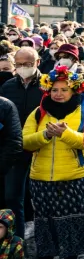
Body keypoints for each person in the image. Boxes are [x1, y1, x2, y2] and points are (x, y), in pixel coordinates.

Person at [22, 67, 84, 259]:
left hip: (73, 176)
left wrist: (65, 134)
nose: (58, 94)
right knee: (44, 223)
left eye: (64, 90)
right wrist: (45, 134)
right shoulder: (38, 113)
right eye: (54, 90)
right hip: (41, 178)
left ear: (73, 90)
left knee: (72, 221)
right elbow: (25, 141)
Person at [0, 47, 42, 223]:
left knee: (39, 194)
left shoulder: (47, 86)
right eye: (19, 64)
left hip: (41, 145)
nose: (23, 67)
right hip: (15, 148)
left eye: (28, 64)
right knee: (13, 196)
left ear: (37, 63)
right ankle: (18, 235)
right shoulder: (8, 86)